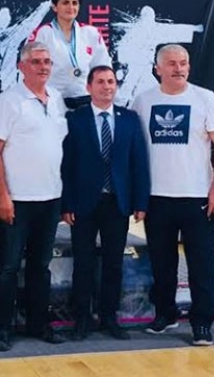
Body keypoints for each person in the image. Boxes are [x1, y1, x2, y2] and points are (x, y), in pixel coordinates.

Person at [130, 44, 214, 346]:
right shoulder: (143, 101)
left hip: (197, 198)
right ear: (158, 68)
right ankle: (165, 314)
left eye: (183, 63)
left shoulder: (204, 98)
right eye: (172, 63)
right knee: (162, 264)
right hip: (157, 198)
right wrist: (138, 196)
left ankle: (202, 323)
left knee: (202, 265)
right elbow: (135, 151)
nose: (179, 68)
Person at [0, 41, 68, 351]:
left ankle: (38, 323)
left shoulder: (57, 98)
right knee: (8, 267)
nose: (43, 66)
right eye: (36, 61)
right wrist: (3, 195)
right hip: (17, 199)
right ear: (22, 66)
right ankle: (1, 329)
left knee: (41, 266)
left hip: (51, 198)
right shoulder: (9, 100)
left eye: (47, 61)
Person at [61, 66, 150, 341]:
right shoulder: (75, 119)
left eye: (111, 81)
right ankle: (82, 319)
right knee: (83, 264)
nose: (106, 86)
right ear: (89, 87)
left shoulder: (129, 119)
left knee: (113, 263)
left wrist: (141, 201)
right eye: (100, 82)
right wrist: (66, 204)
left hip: (117, 202)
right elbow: (67, 165)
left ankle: (110, 317)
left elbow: (139, 162)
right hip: (83, 203)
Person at [29, 0, 112, 109]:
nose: (71, 7)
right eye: (65, 3)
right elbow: (31, 69)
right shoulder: (44, 33)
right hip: (54, 100)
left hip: (85, 99)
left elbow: (103, 68)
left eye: (75, 3)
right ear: (54, 7)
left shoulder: (90, 33)